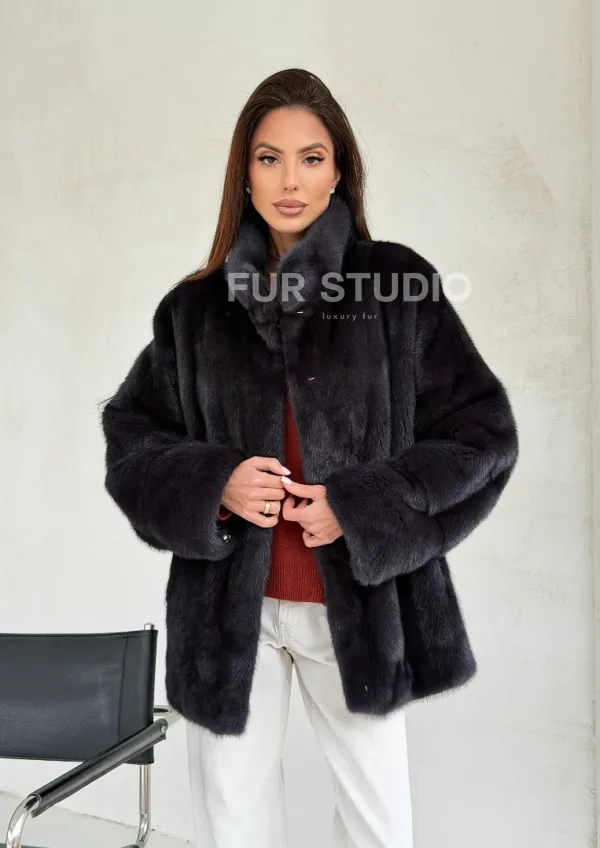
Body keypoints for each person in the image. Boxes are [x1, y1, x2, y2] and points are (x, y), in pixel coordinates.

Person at [100, 68, 519, 848]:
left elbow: (483, 436)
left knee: (379, 828)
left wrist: (361, 506)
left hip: (357, 602)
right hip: (230, 611)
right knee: (232, 825)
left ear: (339, 170)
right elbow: (132, 440)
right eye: (269, 158)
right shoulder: (194, 309)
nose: (290, 180)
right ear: (244, 172)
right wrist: (216, 482)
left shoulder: (396, 284)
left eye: (311, 157)